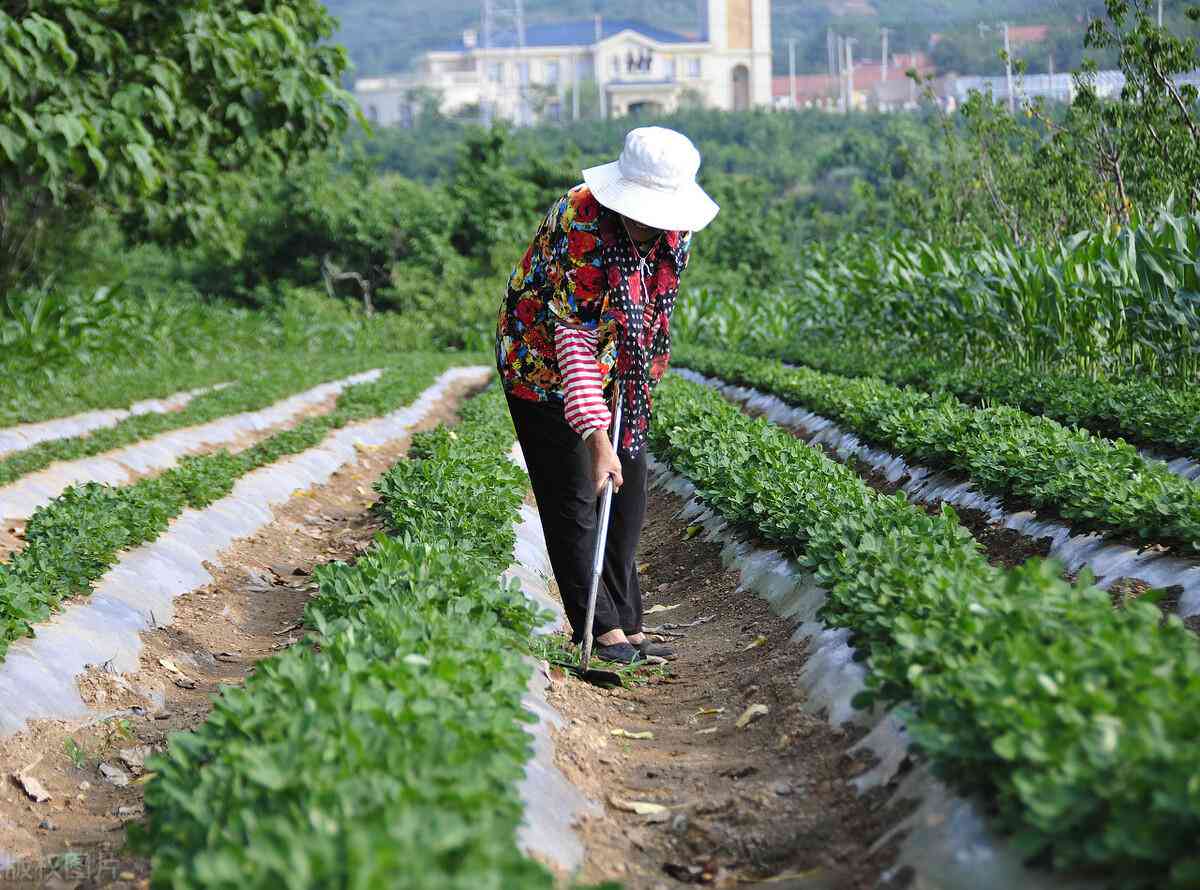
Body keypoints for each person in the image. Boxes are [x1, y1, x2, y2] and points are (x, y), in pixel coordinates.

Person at [496, 127, 719, 664]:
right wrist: (597, 437)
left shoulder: (675, 231)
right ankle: (597, 628)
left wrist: (633, 386)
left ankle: (629, 622)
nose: (651, 222)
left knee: (630, 487)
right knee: (574, 492)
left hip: (620, 362)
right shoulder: (582, 224)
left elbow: (656, 313)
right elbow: (572, 339)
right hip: (542, 363)